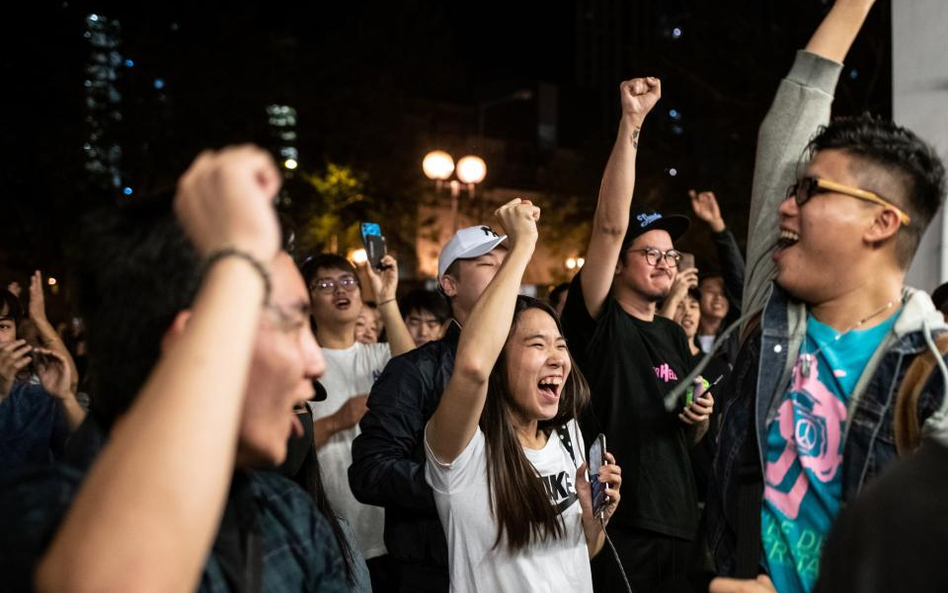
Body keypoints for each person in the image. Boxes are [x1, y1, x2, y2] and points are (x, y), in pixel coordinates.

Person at [0, 146, 349, 592]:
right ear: (193, 341)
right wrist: (238, 258)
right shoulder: (34, 522)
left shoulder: (290, 517)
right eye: (289, 323)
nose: (315, 363)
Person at [705, 1, 948, 592]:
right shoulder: (771, 315)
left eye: (810, 190)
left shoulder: (934, 373)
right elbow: (797, 103)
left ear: (881, 222)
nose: (786, 205)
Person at [560, 76, 715, 593]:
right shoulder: (599, 320)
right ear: (619, 266)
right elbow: (608, 226)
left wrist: (699, 415)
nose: (664, 262)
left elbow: (689, 431)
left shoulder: (673, 335)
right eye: (649, 252)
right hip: (625, 521)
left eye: (670, 255)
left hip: (682, 521)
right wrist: (633, 122)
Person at [425, 198, 622, 593]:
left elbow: (586, 550)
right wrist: (522, 246)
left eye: (560, 346)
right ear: (498, 358)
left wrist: (592, 516)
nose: (556, 359)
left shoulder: (568, 434)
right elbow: (472, 365)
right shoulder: (460, 451)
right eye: (536, 345)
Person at [349, 224, 508, 593]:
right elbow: (370, 471)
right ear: (449, 285)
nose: (504, 273)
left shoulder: (525, 364)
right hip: (436, 570)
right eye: (489, 264)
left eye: (509, 263)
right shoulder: (414, 369)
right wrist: (456, 484)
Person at [303, 251, 414, 588]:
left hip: (392, 529)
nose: (341, 290)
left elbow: (414, 371)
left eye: (348, 281)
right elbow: (286, 448)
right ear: (306, 301)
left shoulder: (379, 355)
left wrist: (387, 298)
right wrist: (338, 420)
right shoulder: (303, 363)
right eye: (325, 284)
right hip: (335, 533)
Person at [0, 274, 85, 472]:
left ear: (16, 334)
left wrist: (66, 398)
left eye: (3, 326)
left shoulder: (35, 396)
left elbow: (89, 452)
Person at [687, 190, 746, 357]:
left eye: (723, 293)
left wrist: (717, 224)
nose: (719, 297)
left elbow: (736, 277)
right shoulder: (684, 336)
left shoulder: (738, 332)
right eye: (711, 291)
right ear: (697, 297)